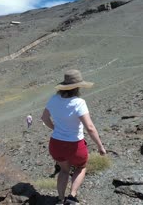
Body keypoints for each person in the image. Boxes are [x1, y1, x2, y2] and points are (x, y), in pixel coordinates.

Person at [41, 69, 106, 205]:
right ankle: (72, 196)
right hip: (74, 144)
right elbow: (90, 127)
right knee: (81, 167)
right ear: (77, 87)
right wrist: (100, 146)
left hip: (56, 143)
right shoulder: (79, 103)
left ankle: (59, 200)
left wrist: (55, 128)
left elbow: (44, 118)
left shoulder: (53, 99)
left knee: (64, 170)